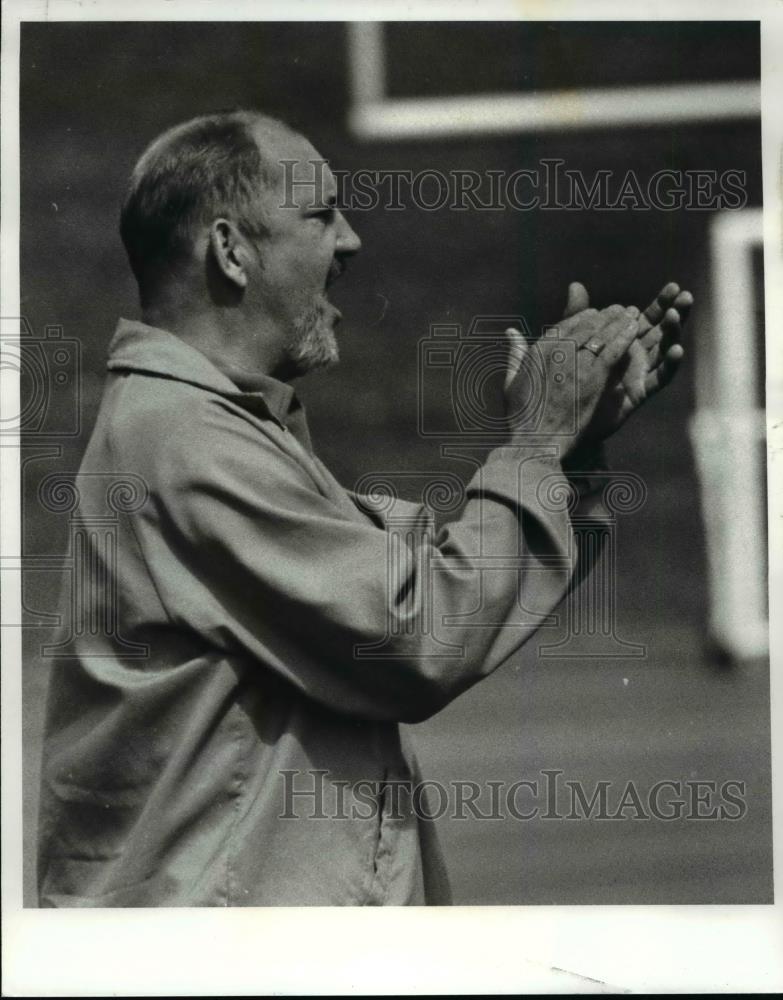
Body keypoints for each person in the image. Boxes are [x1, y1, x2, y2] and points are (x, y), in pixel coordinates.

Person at [37, 110, 691, 906]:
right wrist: (532, 447)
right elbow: (414, 636)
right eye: (320, 215)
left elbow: (432, 584)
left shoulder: (212, 427)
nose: (350, 242)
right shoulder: (185, 439)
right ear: (230, 251)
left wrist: (569, 452)